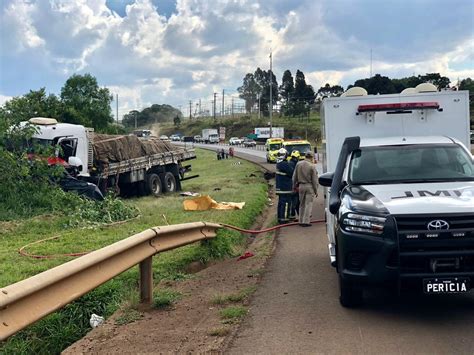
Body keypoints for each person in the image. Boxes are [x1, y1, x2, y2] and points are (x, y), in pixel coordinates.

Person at [292, 151, 318, 227]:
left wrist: (293, 186)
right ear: (311, 157)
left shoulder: (298, 164)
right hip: (309, 186)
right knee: (308, 204)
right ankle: (306, 221)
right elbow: (314, 180)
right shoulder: (311, 166)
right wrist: (316, 190)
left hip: (301, 186)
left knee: (301, 204)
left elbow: (294, 177)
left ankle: (300, 220)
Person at [275, 148, 295, 224]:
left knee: (281, 203)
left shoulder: (278, 164)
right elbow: (292, 172)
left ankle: (280, 217)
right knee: (286, 203)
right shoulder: (284, 164)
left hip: (280, 187)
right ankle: (284, 219)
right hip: (285, 187)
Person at [288, 150, 300, 220]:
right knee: (295, 202)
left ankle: (294, 215)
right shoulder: (295, 164)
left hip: (290, 186)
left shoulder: (290, 163)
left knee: (294, 202)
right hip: (294, 186)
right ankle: (293, 216)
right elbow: (295, 176)